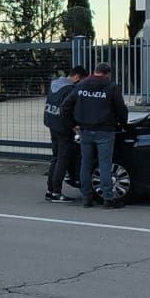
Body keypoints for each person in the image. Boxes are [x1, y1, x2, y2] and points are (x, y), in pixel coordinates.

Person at [62, 62, 129, 209]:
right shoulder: (111, 87)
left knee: (85, 164)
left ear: (95, 71)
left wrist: (73, 125)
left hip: (85, 130)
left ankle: (86, 198)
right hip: (105, 131)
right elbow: (121, 109)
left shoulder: (81, 85)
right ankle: (108, 198)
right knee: (104, 164)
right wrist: (123, 125)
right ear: (108, 73)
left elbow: (65, 106)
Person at [44, 65, 88, 203]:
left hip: (52, 124)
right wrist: (75, 127)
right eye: (81, 81)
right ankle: (57, 192)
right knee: (62, 160)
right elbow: (68, 111)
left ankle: (50, 191)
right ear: (77, 77)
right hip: (64, 128)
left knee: (55, 158)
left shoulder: (54, 84)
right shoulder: (70, 89)